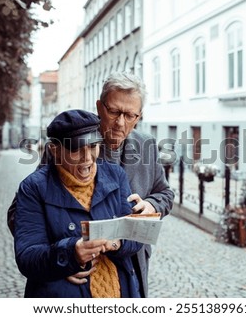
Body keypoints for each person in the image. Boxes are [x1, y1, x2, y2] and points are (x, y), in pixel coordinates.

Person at [13, 109, 142, 298]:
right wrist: (70, 255)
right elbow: (27, 257)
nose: (88, 158)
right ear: (54, 150)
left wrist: (118, 242)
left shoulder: (116, 175)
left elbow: (135, 237)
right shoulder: (33, 188)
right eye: (76, 149)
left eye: (93, 146)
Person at [67, 71, 175, 297]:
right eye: (114, 111)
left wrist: (151, 205)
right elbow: (20, 212)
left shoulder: (147, 144)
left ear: (139, 116)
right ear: (99, 106)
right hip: (78, 276)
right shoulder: (69, 142)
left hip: (131, 270)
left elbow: (165, 193)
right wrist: (61, 258)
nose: (120, 123)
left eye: (129, 115)